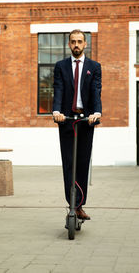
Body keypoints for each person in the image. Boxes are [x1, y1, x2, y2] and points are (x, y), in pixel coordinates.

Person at [53, 29, 102, 220]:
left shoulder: (94, 66)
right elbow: (58, 89)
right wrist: (56, 111)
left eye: (79, 41)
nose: (76, 45)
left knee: (82, 162)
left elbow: (96, 91)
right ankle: (71, 203)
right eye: (73, 41)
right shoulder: (61, 66)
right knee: (68, 164)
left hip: (86, 121)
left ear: (85, 44)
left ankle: (80, 205)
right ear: (68, 44)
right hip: (66, 120)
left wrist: (96, 113)